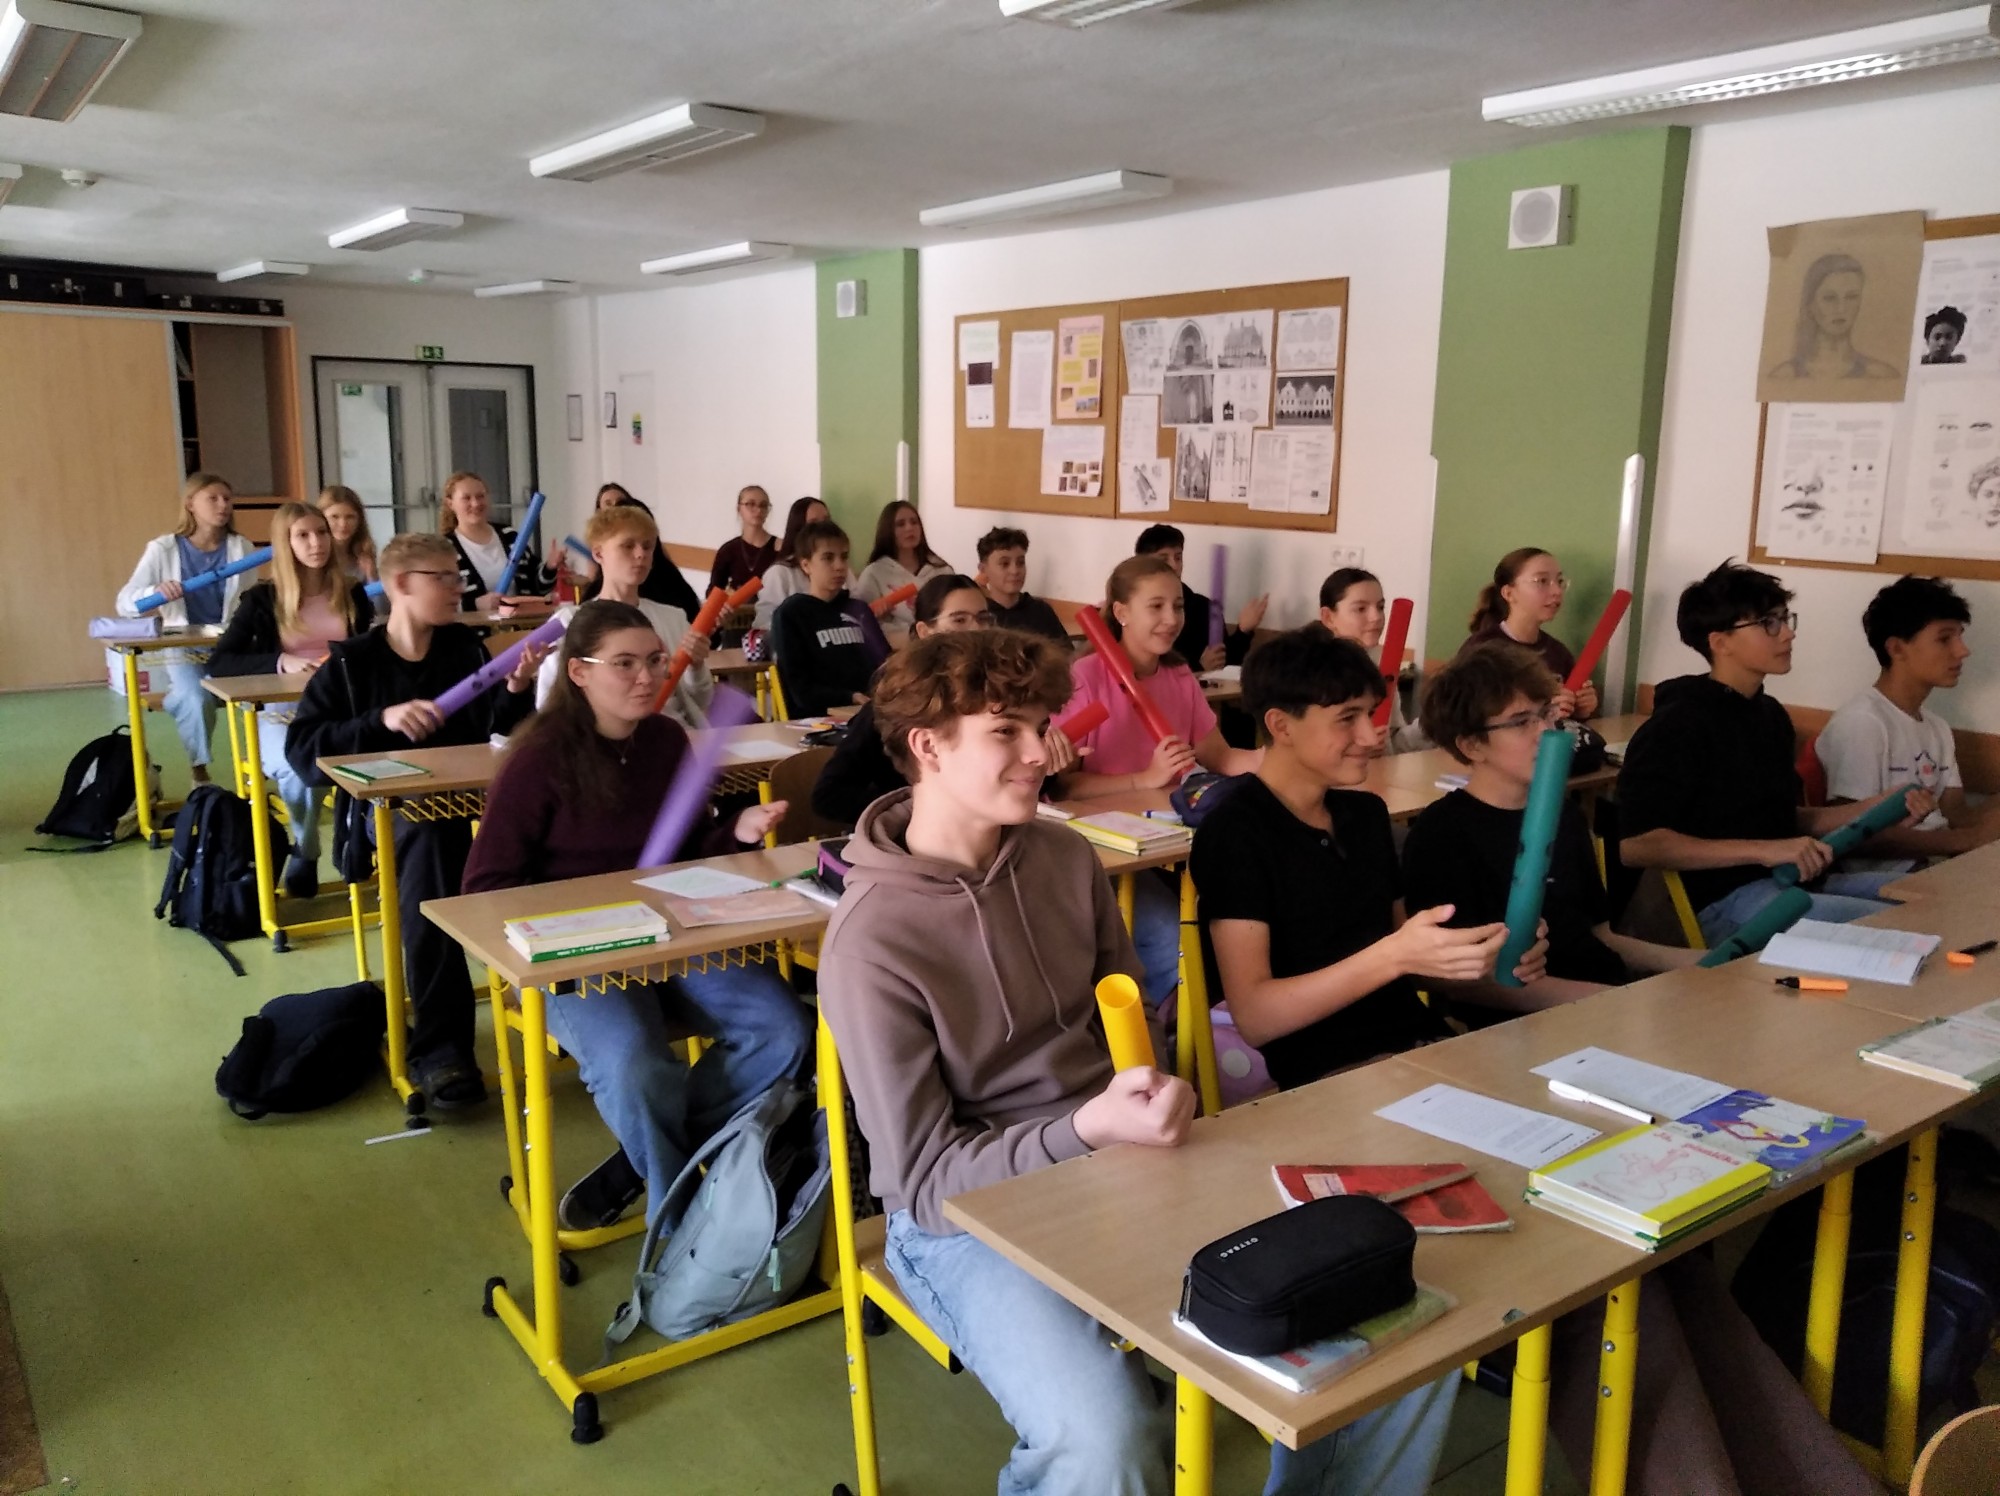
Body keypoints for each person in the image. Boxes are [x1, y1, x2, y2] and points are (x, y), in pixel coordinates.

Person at [819, 628, 1460, 1496]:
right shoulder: (869, 941)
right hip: (965, 1219)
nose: (1042, 753)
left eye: (1041, 726)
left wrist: (1152, 1095)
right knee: (1107, 1439)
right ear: (928, 747)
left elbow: (1127, 1038)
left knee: (1394, 1327)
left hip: (1120, 1156)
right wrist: (1087, 1127)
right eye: (1006, 732)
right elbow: (928, 1187)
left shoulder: (1063, 857)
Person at [463, 600, 812, 1233]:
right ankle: (677, 1225)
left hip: (674, 933)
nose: (648, 677)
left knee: (783, 1029)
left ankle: (646, 1156)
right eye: (624, 664)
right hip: (580, 953)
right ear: (579, 673)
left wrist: (734, 830)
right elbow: (486, 888)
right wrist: (582, 916)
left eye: (654, 660)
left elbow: (688, 849)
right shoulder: (538, 758)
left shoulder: (665, 741)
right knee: (635, 1065)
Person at [1192, 627, 1538, 1089]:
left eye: (1369, 713)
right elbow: (1256, 1017)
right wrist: (1394, 955)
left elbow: (1410, 961)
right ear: (1281, 726)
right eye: (1346, 718)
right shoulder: (1235, 833)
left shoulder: (1365, 814)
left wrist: (1488, 955)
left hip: (1415, 1045)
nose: (1370, 734)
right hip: (1323, 1074)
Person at [287, 533, 549, 1111]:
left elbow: (494, 732)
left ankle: (571, 1005)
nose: (458, 589)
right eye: (444, 578)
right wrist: (380, 721)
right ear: (402, 584)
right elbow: (303, 751)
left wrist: (516, 688)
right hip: (396, 818)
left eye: (458, 576)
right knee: (430, 856)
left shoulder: (465, 649)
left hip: (473, 806)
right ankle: (441, 1047)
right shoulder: (353, 663)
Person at [1616, 561, 1933, 948]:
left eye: (1785, 618)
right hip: (1723, 899)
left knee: (1933, 900)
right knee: (1890, 933)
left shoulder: (1769, 715)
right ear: (1721, 642)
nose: (1788, 633)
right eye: (1769, 623)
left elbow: (1787, 819)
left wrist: (1879, 806)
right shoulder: (1675, 726)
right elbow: (1638, 845)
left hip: (1793, 879)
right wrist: (1764, 851)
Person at [1401, 642, 1695, 1019]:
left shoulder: (1565, 814)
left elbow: (1598, 934)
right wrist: (1613, 1004)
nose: (1545, 731)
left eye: (1545, 713)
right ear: (1472, 745)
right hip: (1526, 1020)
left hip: (1599, 994)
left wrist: (1697, 962)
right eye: (1521, 722)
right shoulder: (1441, 834)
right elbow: (1463, 982)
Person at [1065, 555, 1264, 1011]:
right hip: (1110, 852)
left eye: (1177, 606)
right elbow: (1063, 788)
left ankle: (1218, 1021)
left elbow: (1222, 757)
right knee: (1170, 935)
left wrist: (1284, 758)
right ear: (1121, 612)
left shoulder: (1178, 675)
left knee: (1242, 911)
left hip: (1171, 840)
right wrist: (1145, 778)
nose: (1172, 619)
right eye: (1155, 606)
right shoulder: (1085, 678)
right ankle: (1167, 1030)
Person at [811, 574, 1080, 825]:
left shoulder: (1009, 701)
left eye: (984, 619)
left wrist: (1050, 766)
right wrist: (925, 808)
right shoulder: (889, 710)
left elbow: (1012, 785)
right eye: (959, 620)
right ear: (925, 631)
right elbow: (829, 796)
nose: (976, 630)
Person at [209, 501, 375, 897]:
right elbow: (220, 662)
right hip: (280, 712)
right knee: (299, 766)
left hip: (341, 706)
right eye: (303, 535)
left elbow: (368, 649)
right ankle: (306, 847)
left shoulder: (352, 592)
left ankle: (361, 846)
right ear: (286, 543)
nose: (316, 543)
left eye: (321, 532)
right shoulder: (261, 599)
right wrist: (280, 661)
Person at [1815, 576, 2000, 861]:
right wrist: (1965, 841)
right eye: (1945, 639)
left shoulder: (1937, 727)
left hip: (1936, 865)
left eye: (1960, 636)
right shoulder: (1863, 722)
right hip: (1886, 875)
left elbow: (1957, 816)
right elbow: (1854, 835)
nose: (1963, 650)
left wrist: (1976, 832)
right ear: (1897, 648)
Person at [115, 472, 258, 785]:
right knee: (196, 698)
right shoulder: (162, 548)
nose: (223, 505)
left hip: (229, 643)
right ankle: (199, 772)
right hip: (181, 645)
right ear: (191, 504)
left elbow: (250, 601)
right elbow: (125, 601)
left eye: (227, 499)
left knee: (263, 692)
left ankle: (258, 770)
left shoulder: (242, 547)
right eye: (213, 498)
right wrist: (155, 592)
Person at [535, 503, 713, 729]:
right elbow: (547, 704)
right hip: (603, 739)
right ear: (598, 553)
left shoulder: (673, 618)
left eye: (647, 546)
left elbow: (700, 701)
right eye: (628, 546)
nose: (640, 554)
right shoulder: (568, 623)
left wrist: (696, 667)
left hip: (676, 734)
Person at [1459, 547, 1597, 718]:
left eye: (1560, 581)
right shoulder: (1481, 650)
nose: (1557, 591)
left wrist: (1580, 708)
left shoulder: (1559, 653)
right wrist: (1543, 708)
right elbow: (1466, 714)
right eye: (1542, 581)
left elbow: (1567, 716)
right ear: (1509, 593)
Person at [770, 519, 875, 717]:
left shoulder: (858, 610)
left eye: (844, 557)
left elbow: (884, 667)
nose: (840, 566)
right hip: (816, 719)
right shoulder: (791, 615)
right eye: (828, 558)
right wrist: (849, 697)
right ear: (806, 565)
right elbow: (800, 691)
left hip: (867, 712)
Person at [1318, 566, 1428, 751]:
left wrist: (1432, 727)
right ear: (1328, 617)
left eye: (1380, 607)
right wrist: (1357, 748)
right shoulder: (1314, 673)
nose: (1376, 617)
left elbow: (1392, 738)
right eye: (1361, 609)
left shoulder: (1380, 662)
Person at [1132, 523, 1266, 672]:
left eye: (1178, 557)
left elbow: (1226, 662)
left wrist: (1243, 631)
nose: (1174, 565)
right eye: (1164, 559)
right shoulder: (1135, 608)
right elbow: (1145, 668)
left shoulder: (1202, 607)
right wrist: (1198, 666)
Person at [1767, 253, 1900, 381]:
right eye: (1829, 298)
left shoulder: (1881, 375)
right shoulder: (1784, 376)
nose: (1841, 309)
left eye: (1851, 297)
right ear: (1810, 304)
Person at [439, 470, 552, 612]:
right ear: (450, 504)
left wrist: (550, 568)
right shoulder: (445, 549)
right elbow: (438, 603)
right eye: (466, 498)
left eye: (480, 496)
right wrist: (476, 604)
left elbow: (538, 589)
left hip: (521, 624)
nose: (475, 503)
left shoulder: (510, 536)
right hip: (475, 626)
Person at [853, 500, 952, 638]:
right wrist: (878, 615)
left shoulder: (941, 569)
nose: (909, 528)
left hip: (939, 638)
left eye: (914, 522)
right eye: (900, 524)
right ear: (888, 530)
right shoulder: (874, 573)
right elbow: (860, 620)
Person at [975, 525, 1069, 645]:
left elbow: (1063, 653)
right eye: (1004, 564)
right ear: (983, 569)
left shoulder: (1040, 611)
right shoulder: (978, 615)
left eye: (1020, 563)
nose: (1015, 571)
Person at [753, 496, 830, 629]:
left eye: (826, 522)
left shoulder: (839, 567)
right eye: (813, 524)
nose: (823, 530)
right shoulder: (779, 573)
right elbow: (764, 624)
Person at [708, 485, 777, 593]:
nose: (758, 510)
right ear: (739, 509)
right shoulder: (728, 550)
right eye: (751, 504)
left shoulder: (780, 548)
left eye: (763, 505)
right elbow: (713, 591)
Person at [317, 485, 377, 583]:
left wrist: (371, 575)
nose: (343, 524)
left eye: (350, 517)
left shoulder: (364, 554)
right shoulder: (315, 555)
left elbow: (373, 592)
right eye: (334, 517)